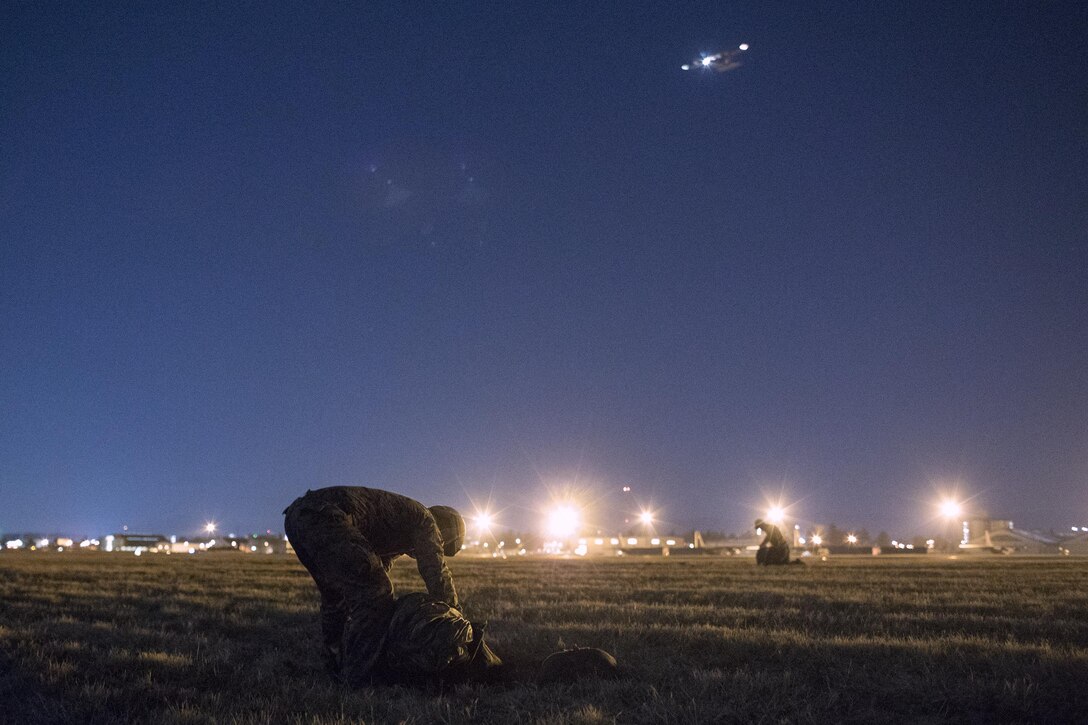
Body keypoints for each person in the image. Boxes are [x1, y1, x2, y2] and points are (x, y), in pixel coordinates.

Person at [283, 486, 465, 686]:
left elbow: (380, 565)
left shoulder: (403, 525)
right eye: (441, 544)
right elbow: (435, 570)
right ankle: (356, 677)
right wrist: (456, 615)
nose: (436, 545)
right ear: (443, 532)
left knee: (335, 596)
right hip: (326, 517)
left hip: (298, 517)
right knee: (377, 594)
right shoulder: (425, 520)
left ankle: (334, 663)